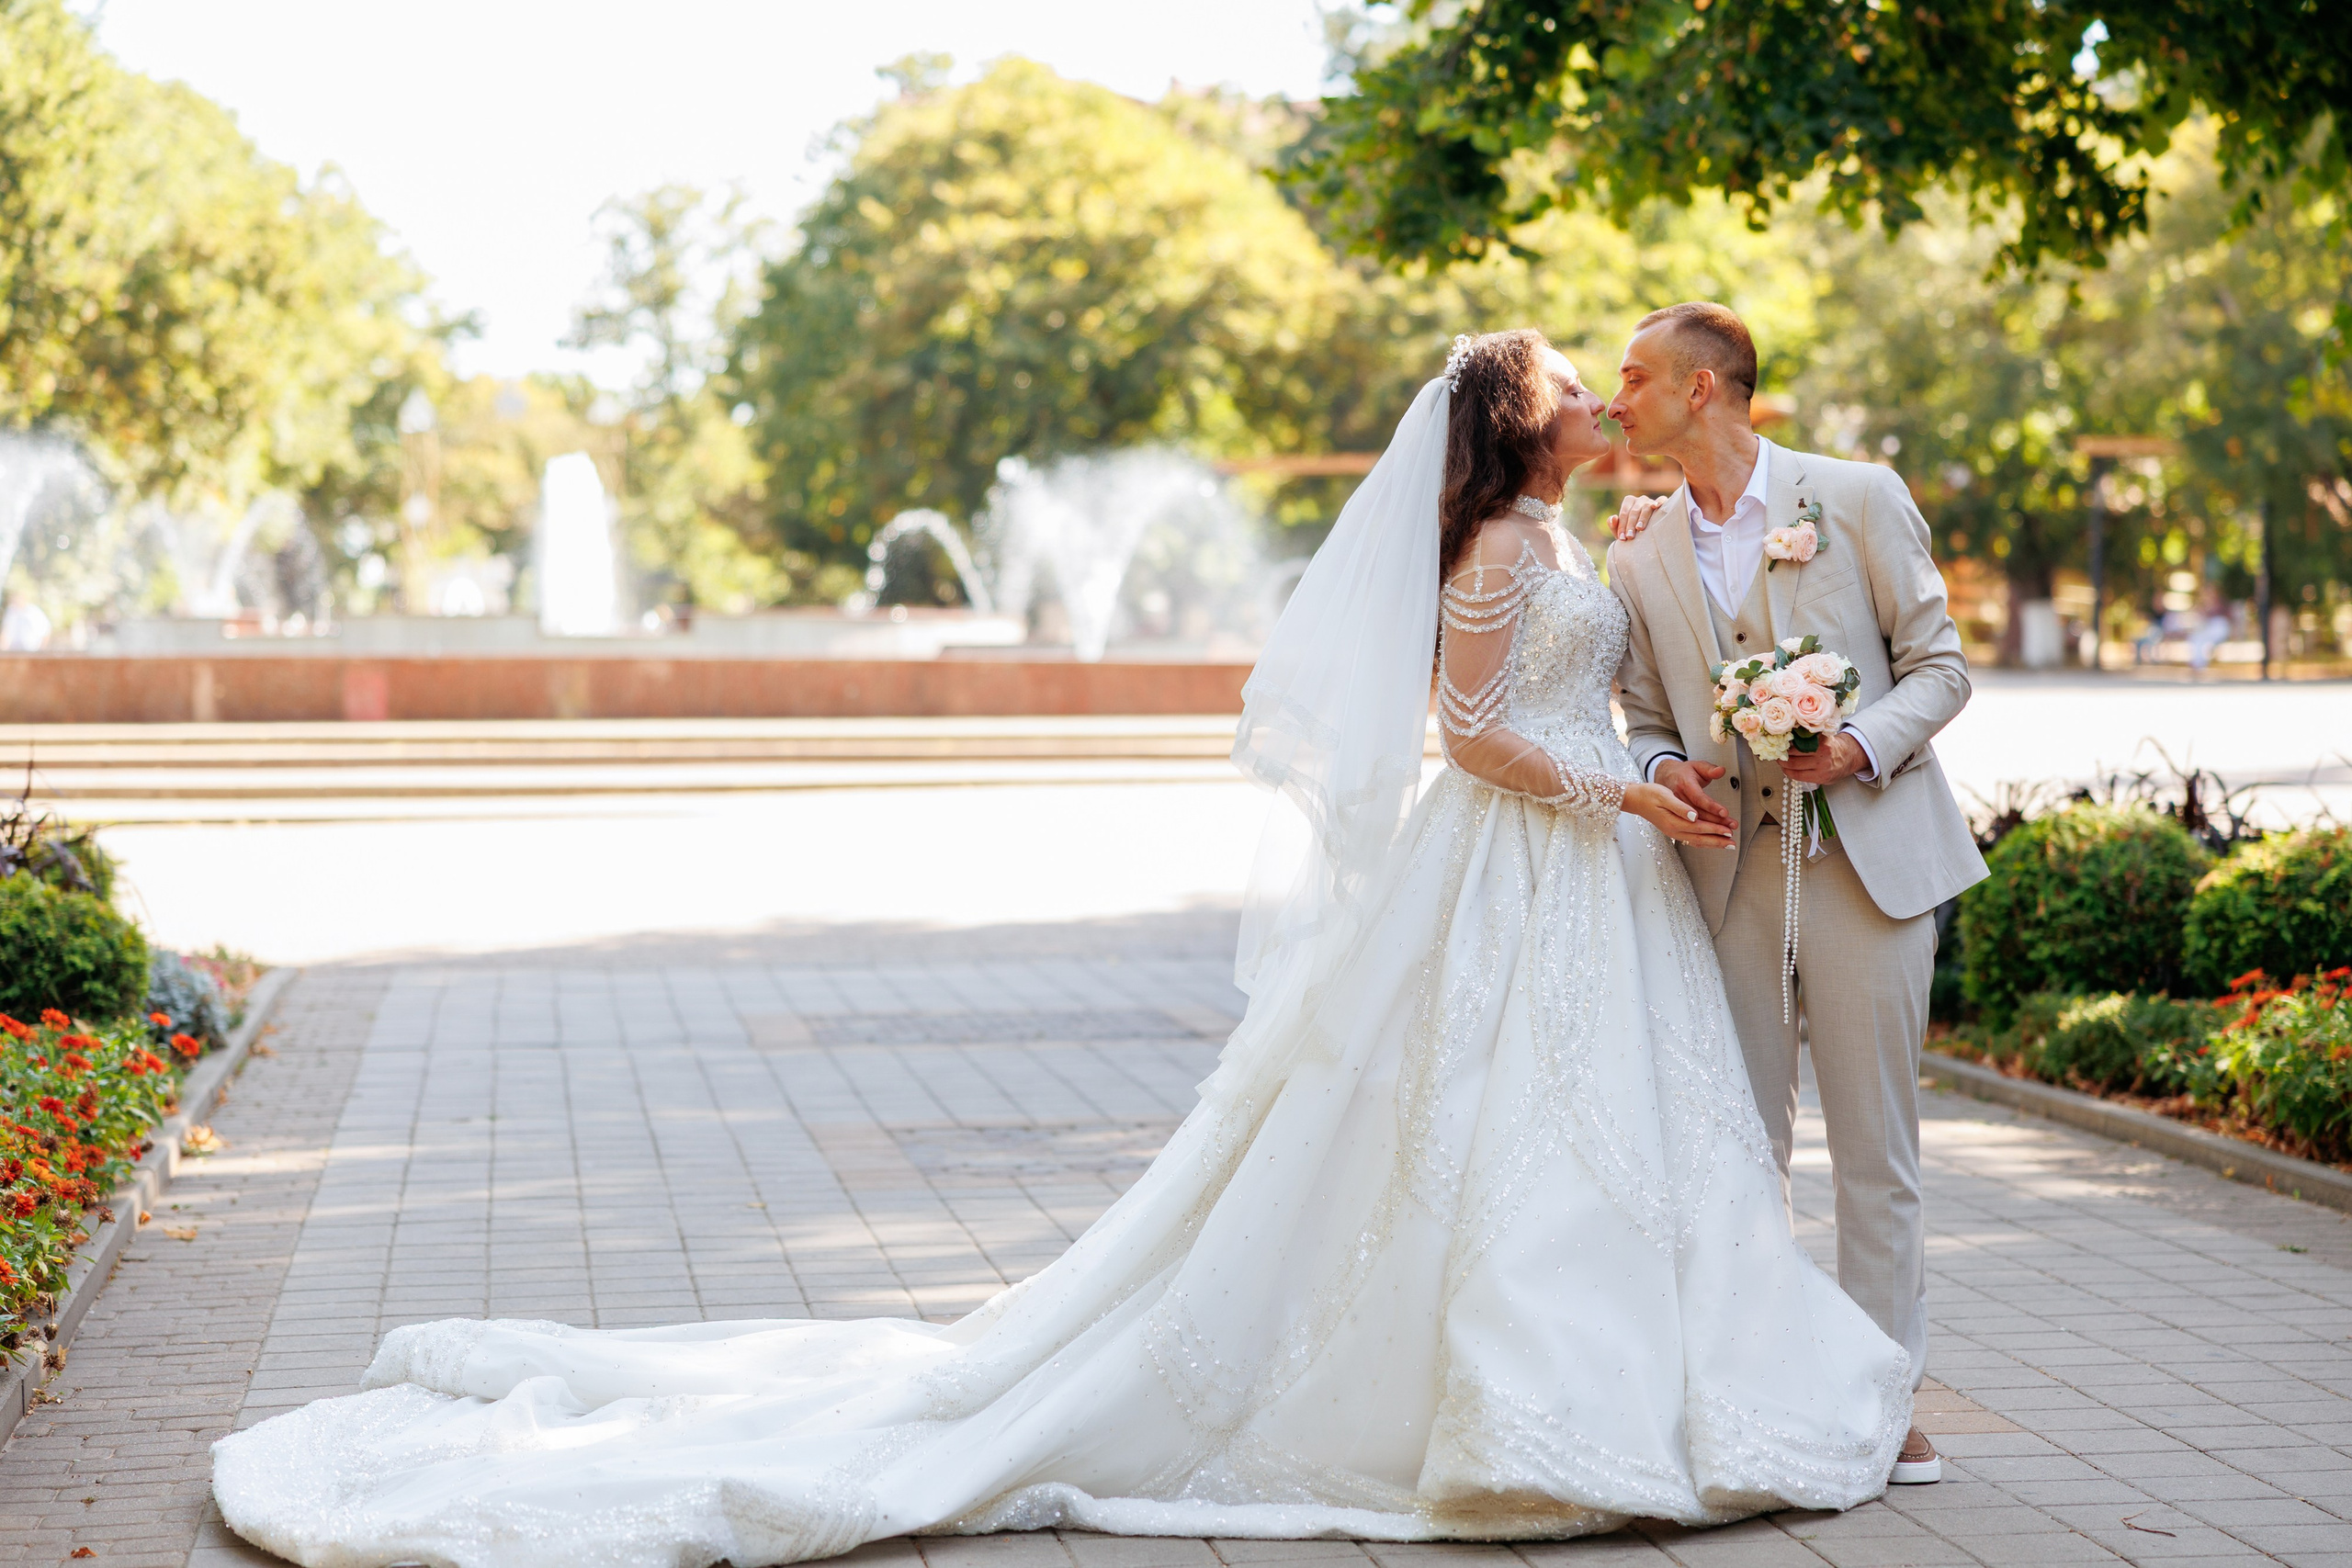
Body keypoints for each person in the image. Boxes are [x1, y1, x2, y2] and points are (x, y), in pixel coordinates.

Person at [213, 331, 1914, 1568]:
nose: (1597, 406)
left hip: (1602, 868)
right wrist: (1622, 799)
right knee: (1480, 1127)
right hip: (1515, 864)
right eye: (1571, 389)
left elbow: (1599, 697)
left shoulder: (1574, 543)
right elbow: (1467, 734)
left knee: (1615, 1132)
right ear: (1519, 425)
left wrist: (1661, 771)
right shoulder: (1485, 549)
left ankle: (1653, 1388)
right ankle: (1515, 1411)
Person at [1602, 303, 1988, 1489]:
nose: (1618, 399)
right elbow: (1650, 717)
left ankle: (1885, 1404)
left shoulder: (1856, 495)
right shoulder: (1635, 548)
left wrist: (1860, 745)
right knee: (1740, 1150)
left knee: (1877, 1155)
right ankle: (1764, 1392)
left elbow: (1941, 664)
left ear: (1704, 390)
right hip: (1726, 873)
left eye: (1636, 376)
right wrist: (1667, 769)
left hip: (1868, 864)